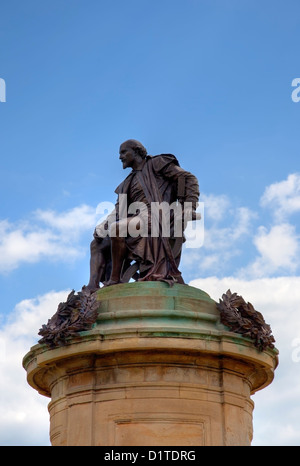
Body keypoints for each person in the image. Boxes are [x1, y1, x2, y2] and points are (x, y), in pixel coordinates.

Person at [85, 139, 200, 290]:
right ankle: (91, 288)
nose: (120, 157)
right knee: (97, 243)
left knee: (117, 229)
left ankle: (114, 280)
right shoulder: (127, 183)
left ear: (136, 151)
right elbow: (118, 210)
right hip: (137, 220)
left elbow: (188, 178)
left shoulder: (157, 163)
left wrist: (189, 206)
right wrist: (102, 226)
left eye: (123, 152)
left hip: (158, 217)